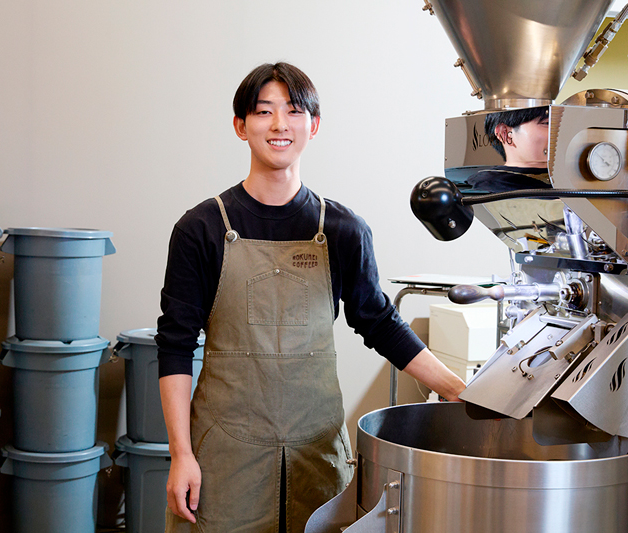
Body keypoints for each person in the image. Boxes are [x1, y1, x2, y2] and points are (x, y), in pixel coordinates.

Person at [156, 62, 466, 533]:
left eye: (294, 111)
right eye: (264, 112)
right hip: (223, 454)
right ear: (241, 126)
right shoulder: (202, 229)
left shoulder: (342, 230)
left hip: (317, 452)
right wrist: (181, 454)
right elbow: (175, 345)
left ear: (313, 126)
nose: (280, 125)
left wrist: (459, 391)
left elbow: (379, 322)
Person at [467, 106, 552, 192]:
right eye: (547, 123)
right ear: (505, 133)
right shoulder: (485, 185)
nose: (560, 130)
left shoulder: (562, 179)